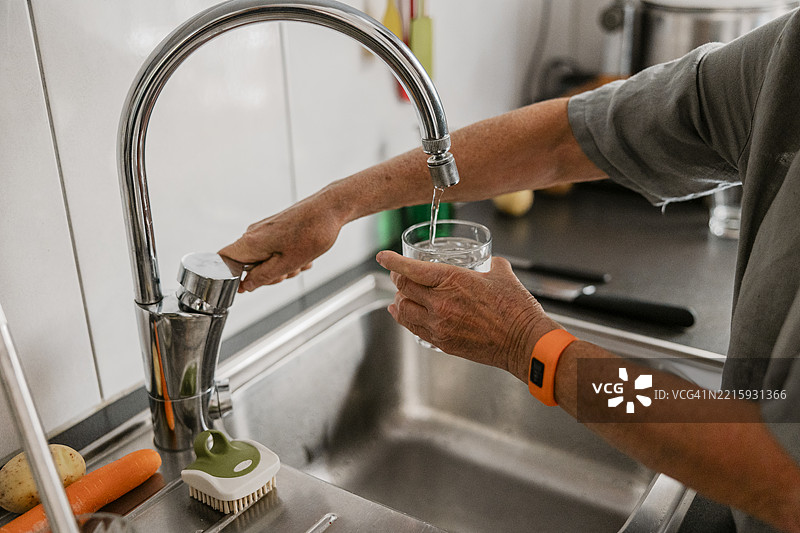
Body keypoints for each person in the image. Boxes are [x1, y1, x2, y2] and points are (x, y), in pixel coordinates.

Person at [220, 8, 800, 533]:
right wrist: (338, 203)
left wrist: (532, 346)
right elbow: (568, 138)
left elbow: (784, 478)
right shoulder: (789, 57)